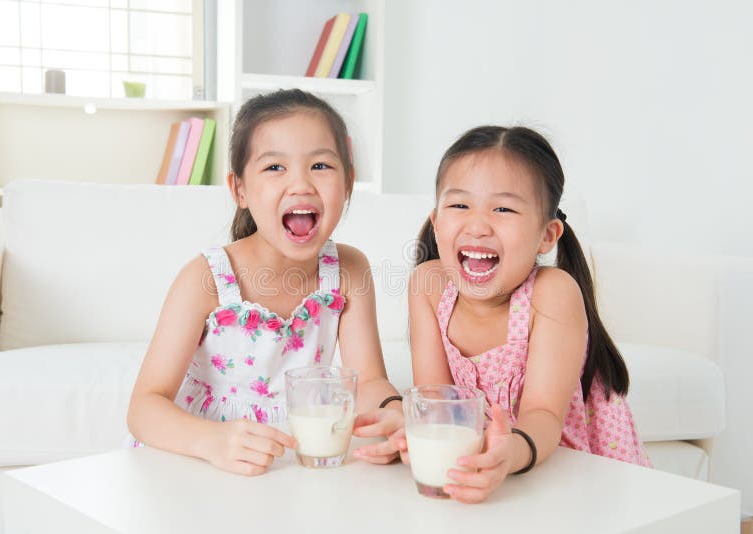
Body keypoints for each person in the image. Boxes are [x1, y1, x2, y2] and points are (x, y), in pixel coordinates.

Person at [126, 89, 401, 475]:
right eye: (275, 167)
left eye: (320, 165)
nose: (302, 184)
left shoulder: (349, 269)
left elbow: (369, 381)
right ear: (239, 189)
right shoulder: (206, 279)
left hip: (290, 459)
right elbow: (143, 407)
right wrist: (211, 441)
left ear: (349, 183)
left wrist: (398, 412)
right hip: (197, 459)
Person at [403, 125, 651, 503]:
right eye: (459, 205)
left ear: (547, 235)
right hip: (483, 466)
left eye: (503, 208)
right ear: (437, 223)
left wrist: (508, 454)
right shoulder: (428, 284)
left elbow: (544, 417)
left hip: (560, 465)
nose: (478, 225)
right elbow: (438, 404)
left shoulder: (552, 293)